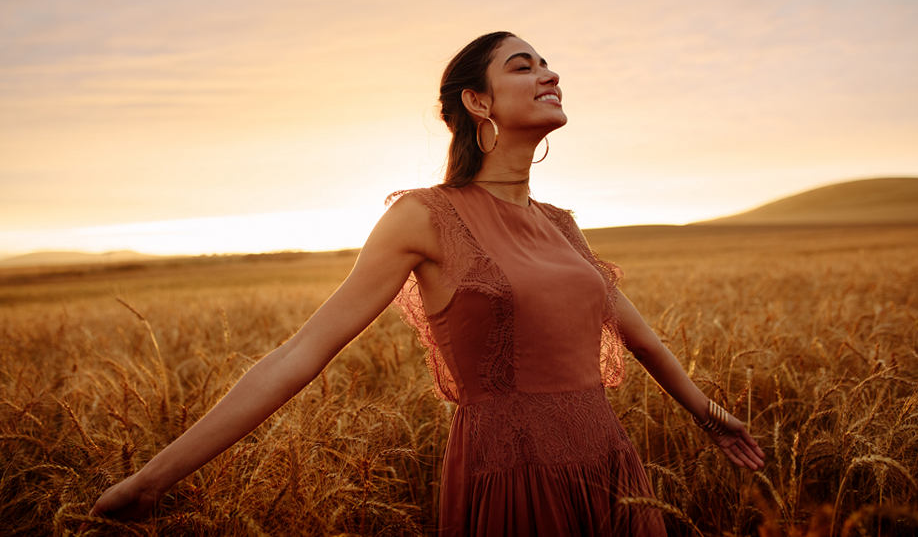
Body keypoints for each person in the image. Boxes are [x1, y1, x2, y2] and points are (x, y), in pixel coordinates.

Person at [90, 32, 765, 535]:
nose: (550, 72)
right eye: (522, 65)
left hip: (610, 469)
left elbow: (638, 336)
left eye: (549, 63)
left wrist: (711, 418)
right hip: (512, 478)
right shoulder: (423, 216)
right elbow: (301, 354)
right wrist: (154, 480)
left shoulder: (561, 225)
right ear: (478, 100)